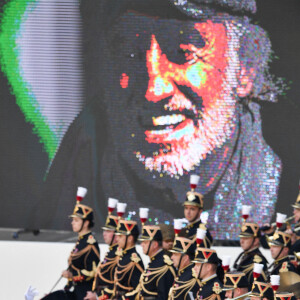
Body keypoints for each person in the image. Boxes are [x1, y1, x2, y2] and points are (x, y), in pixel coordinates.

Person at [39, 0, 284, 240]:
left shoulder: (288, 175)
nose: (153, 89)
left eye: (183, 52)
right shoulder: (82, 153)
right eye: (129, 52)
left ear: (246, 67)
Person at [42, 188, 100, 300]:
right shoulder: (81, 241)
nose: (72, 223)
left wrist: (72, 276)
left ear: (86, 222)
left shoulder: (90, 244)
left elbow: (92, 272)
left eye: (76, 220)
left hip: (84, 294)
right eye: (73, 220)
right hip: (74, 291)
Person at [134, 225, 176, 299]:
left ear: (155, 245)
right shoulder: (154, 262)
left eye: (145, 242)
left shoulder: (164, 266)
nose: (142, 245)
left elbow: (164, 297)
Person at [84, 214, 120, 300]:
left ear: (117, 234)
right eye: (104, 231)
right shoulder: (111, 252)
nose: (104, 234)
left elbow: (117, 283)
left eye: (108, 231)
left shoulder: (119, 255)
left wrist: (97, 297)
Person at [113, 219, 144, 300]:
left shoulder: (134, 260)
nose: (117, 239)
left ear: (130, 238)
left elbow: (137, 289)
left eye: (120, 236)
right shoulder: (124, 256)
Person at [180, 180, 213, 247]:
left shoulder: (202, 232)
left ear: (200, 211)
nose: (188, 212)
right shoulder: (183, 230)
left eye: (192, 209)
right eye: (186, 208)